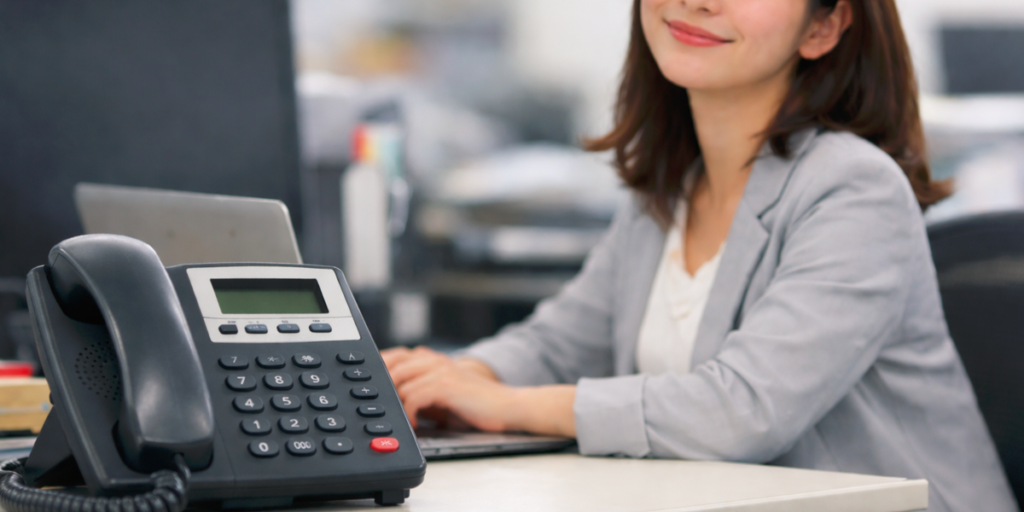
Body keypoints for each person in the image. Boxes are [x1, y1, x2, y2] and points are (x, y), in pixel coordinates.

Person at [382, 0, 1018, 510]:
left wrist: (511, 405)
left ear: (823, 27)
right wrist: (446, 380)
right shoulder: (670, 189)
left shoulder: (855, 189)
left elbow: (741, 411)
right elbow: (557, 343)